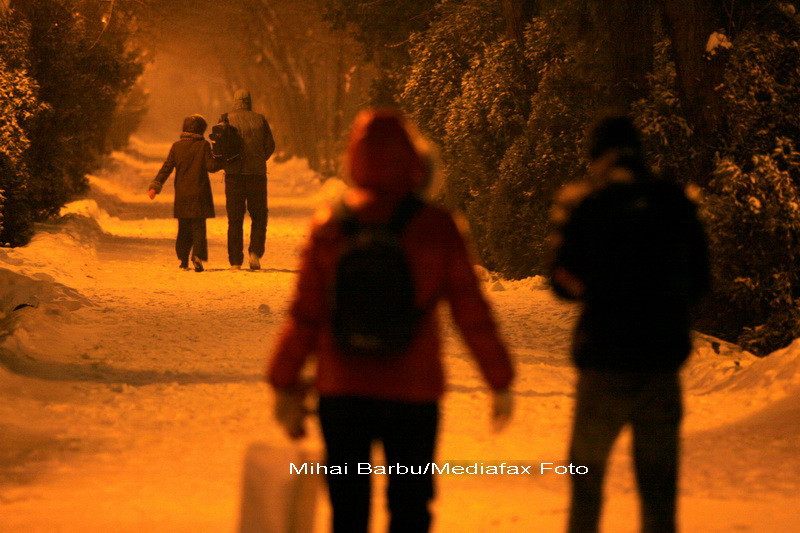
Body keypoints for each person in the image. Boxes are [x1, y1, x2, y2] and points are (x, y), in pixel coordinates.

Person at [266, 109, 514, 533]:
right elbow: (472, 313)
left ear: (354, 157)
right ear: (413, 157)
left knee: (348, 510)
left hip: (342, 389)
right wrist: (499, 379)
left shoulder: (331, 223)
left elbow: (306, 315)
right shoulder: (436, 227)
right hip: (413, 393)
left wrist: (283, 380)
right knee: (411, 507)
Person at [549, 115, 710, 533]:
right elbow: (701, 280)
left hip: (603, 361)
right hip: (660, 363)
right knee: (658, 491)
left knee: (587, 481)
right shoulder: (674, 202)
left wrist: (597, 289)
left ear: (596, 157)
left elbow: (562, 281)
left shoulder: (588, 205)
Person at [149, 114, 221, 272]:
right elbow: (211, 167)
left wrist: (156, 185)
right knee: (198, 226)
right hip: (199, 192)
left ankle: (183, 260)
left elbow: (167, 167)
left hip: (182, 193)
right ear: (201, 129)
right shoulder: (203, 146)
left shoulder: (177, 146)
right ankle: (197, 255)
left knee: (183, 227)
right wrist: (221, 158)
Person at [223, 89, 275, 270]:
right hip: (257, 175)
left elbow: (220, 146)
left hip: (233, 176)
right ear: (249, 101)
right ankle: (255, 254)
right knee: (259, 216)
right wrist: (259, 159)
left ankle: (235, 261)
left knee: (235, 219)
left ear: (235, 101)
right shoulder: (260, 120)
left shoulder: (226, 118)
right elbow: (270, 145)